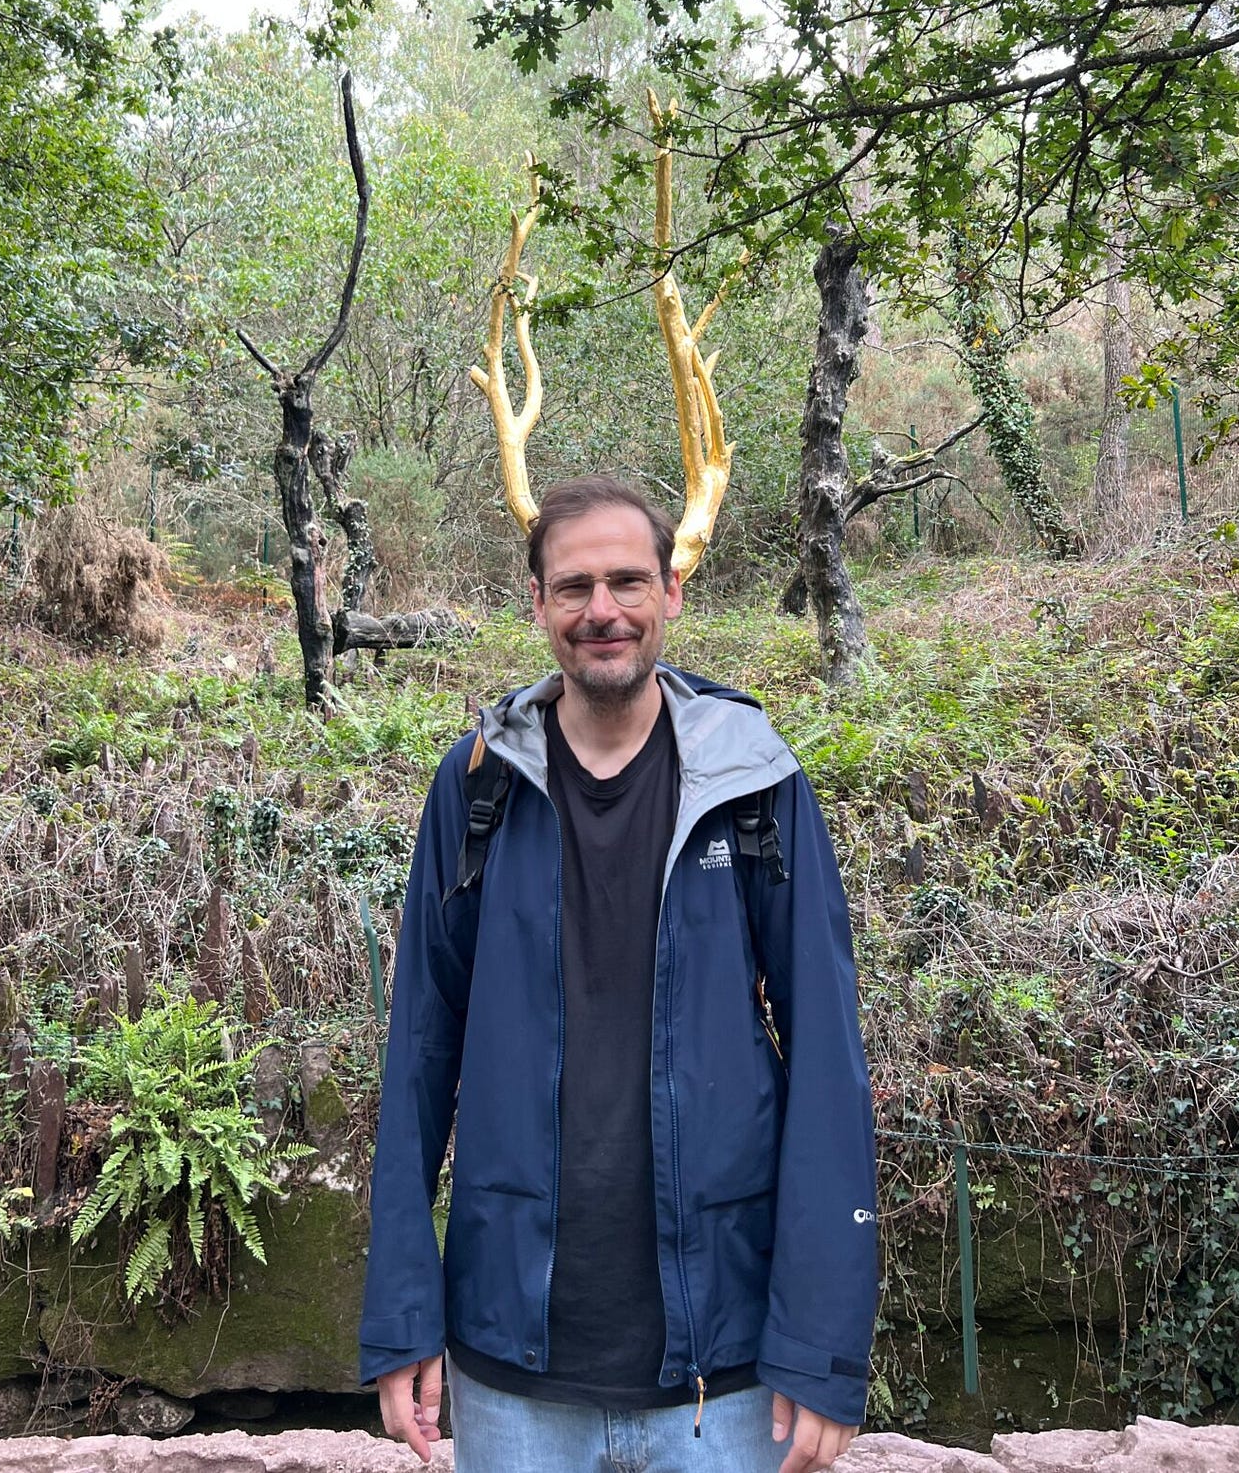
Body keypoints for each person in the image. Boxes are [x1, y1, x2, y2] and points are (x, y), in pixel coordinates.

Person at [360, 476, 877, 1473]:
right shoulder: (477, 787)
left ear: (671, 591)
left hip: (723, 1377)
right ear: (537, 603)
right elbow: (418, 1053)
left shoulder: (754, 783)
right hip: (510, 1368)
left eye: (628, 581)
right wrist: (402, 1317)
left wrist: (821, 1344)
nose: (603, 610)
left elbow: (827, 1060)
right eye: (574, 587)